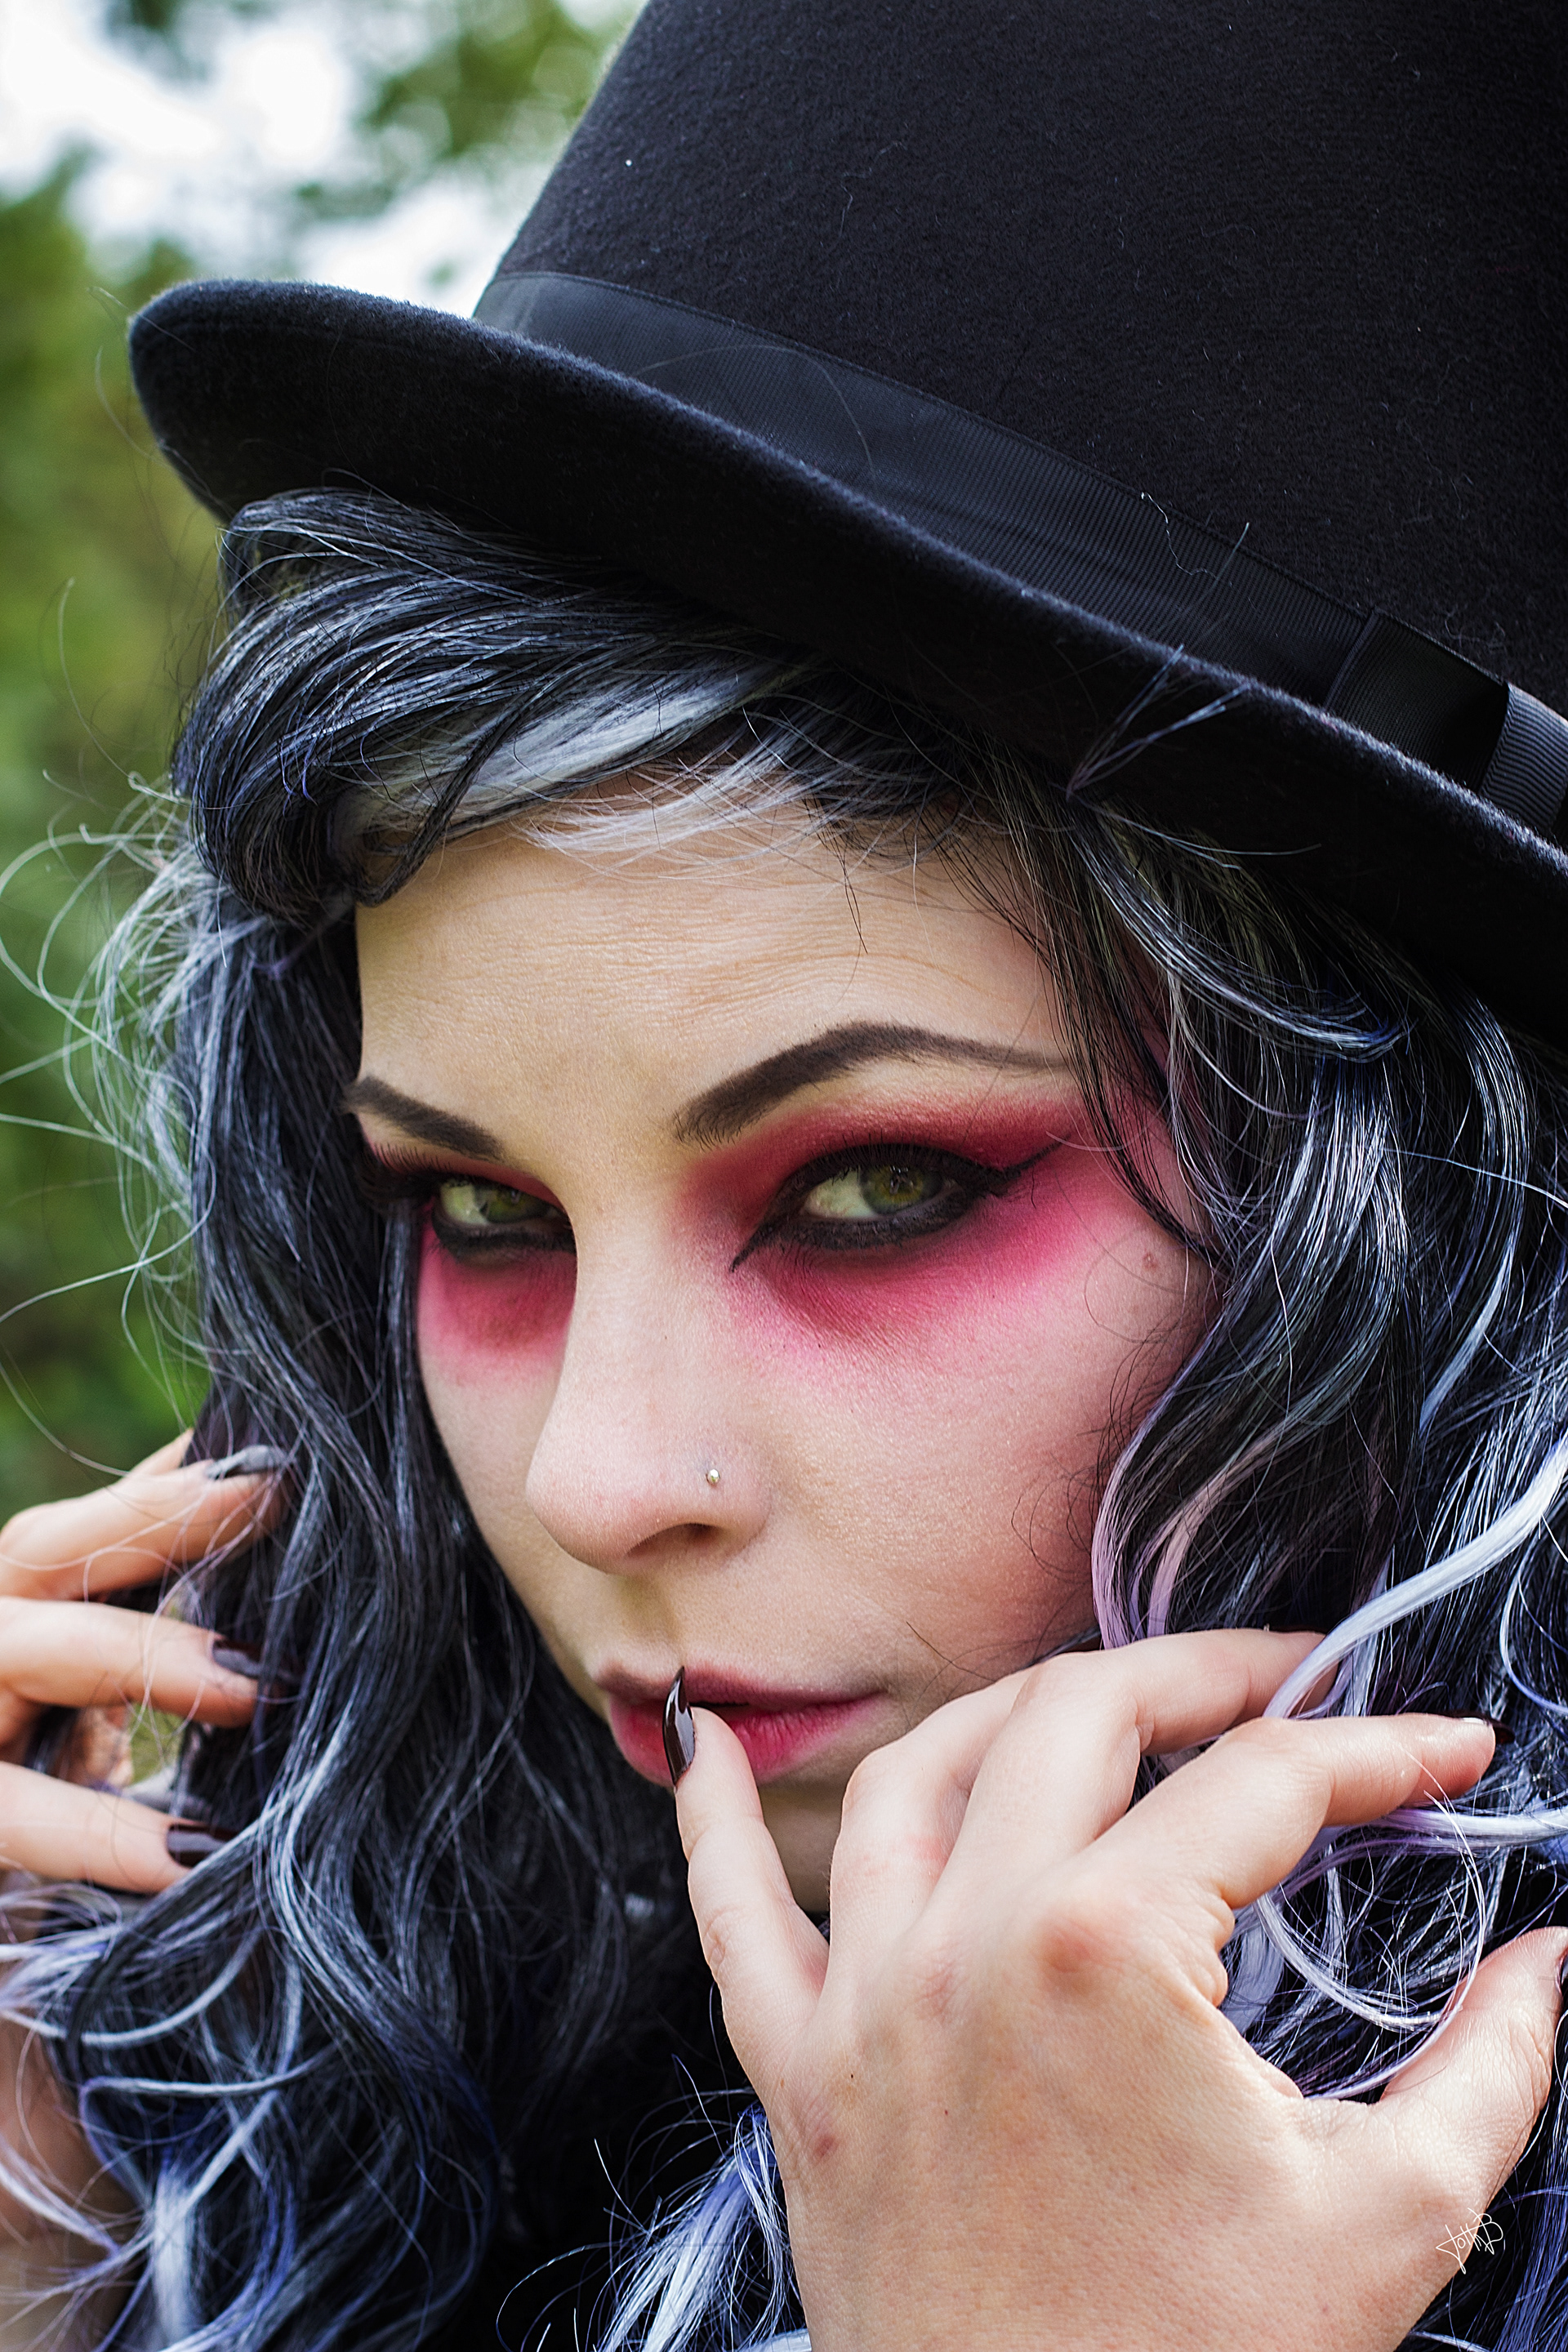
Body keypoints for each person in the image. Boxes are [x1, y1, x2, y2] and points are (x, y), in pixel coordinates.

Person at [1, 0, 1566, 2345]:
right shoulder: (390, 2107)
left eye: (876, 1189)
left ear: (1430, 1201)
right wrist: (76, 2247)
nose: (601, 1477)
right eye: (483, 1214)